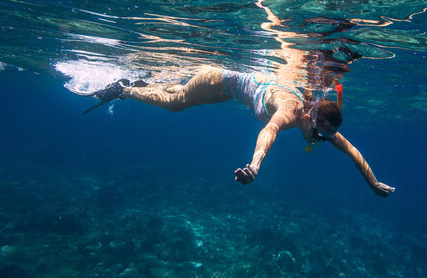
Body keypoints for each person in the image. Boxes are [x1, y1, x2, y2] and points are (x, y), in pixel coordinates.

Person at [87, 66, 395, 197]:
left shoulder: (317, 120)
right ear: (311, 119)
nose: (320, 141)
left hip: (230, 90)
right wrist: (255, 166)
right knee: (177, 103)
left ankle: (143, 84)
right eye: (320, 136)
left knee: (181, 96)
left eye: (324, 139)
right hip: (218, 79)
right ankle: (123, 89)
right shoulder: (290, 113)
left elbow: (351, 149)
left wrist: (373, 183)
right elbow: (269, 132)